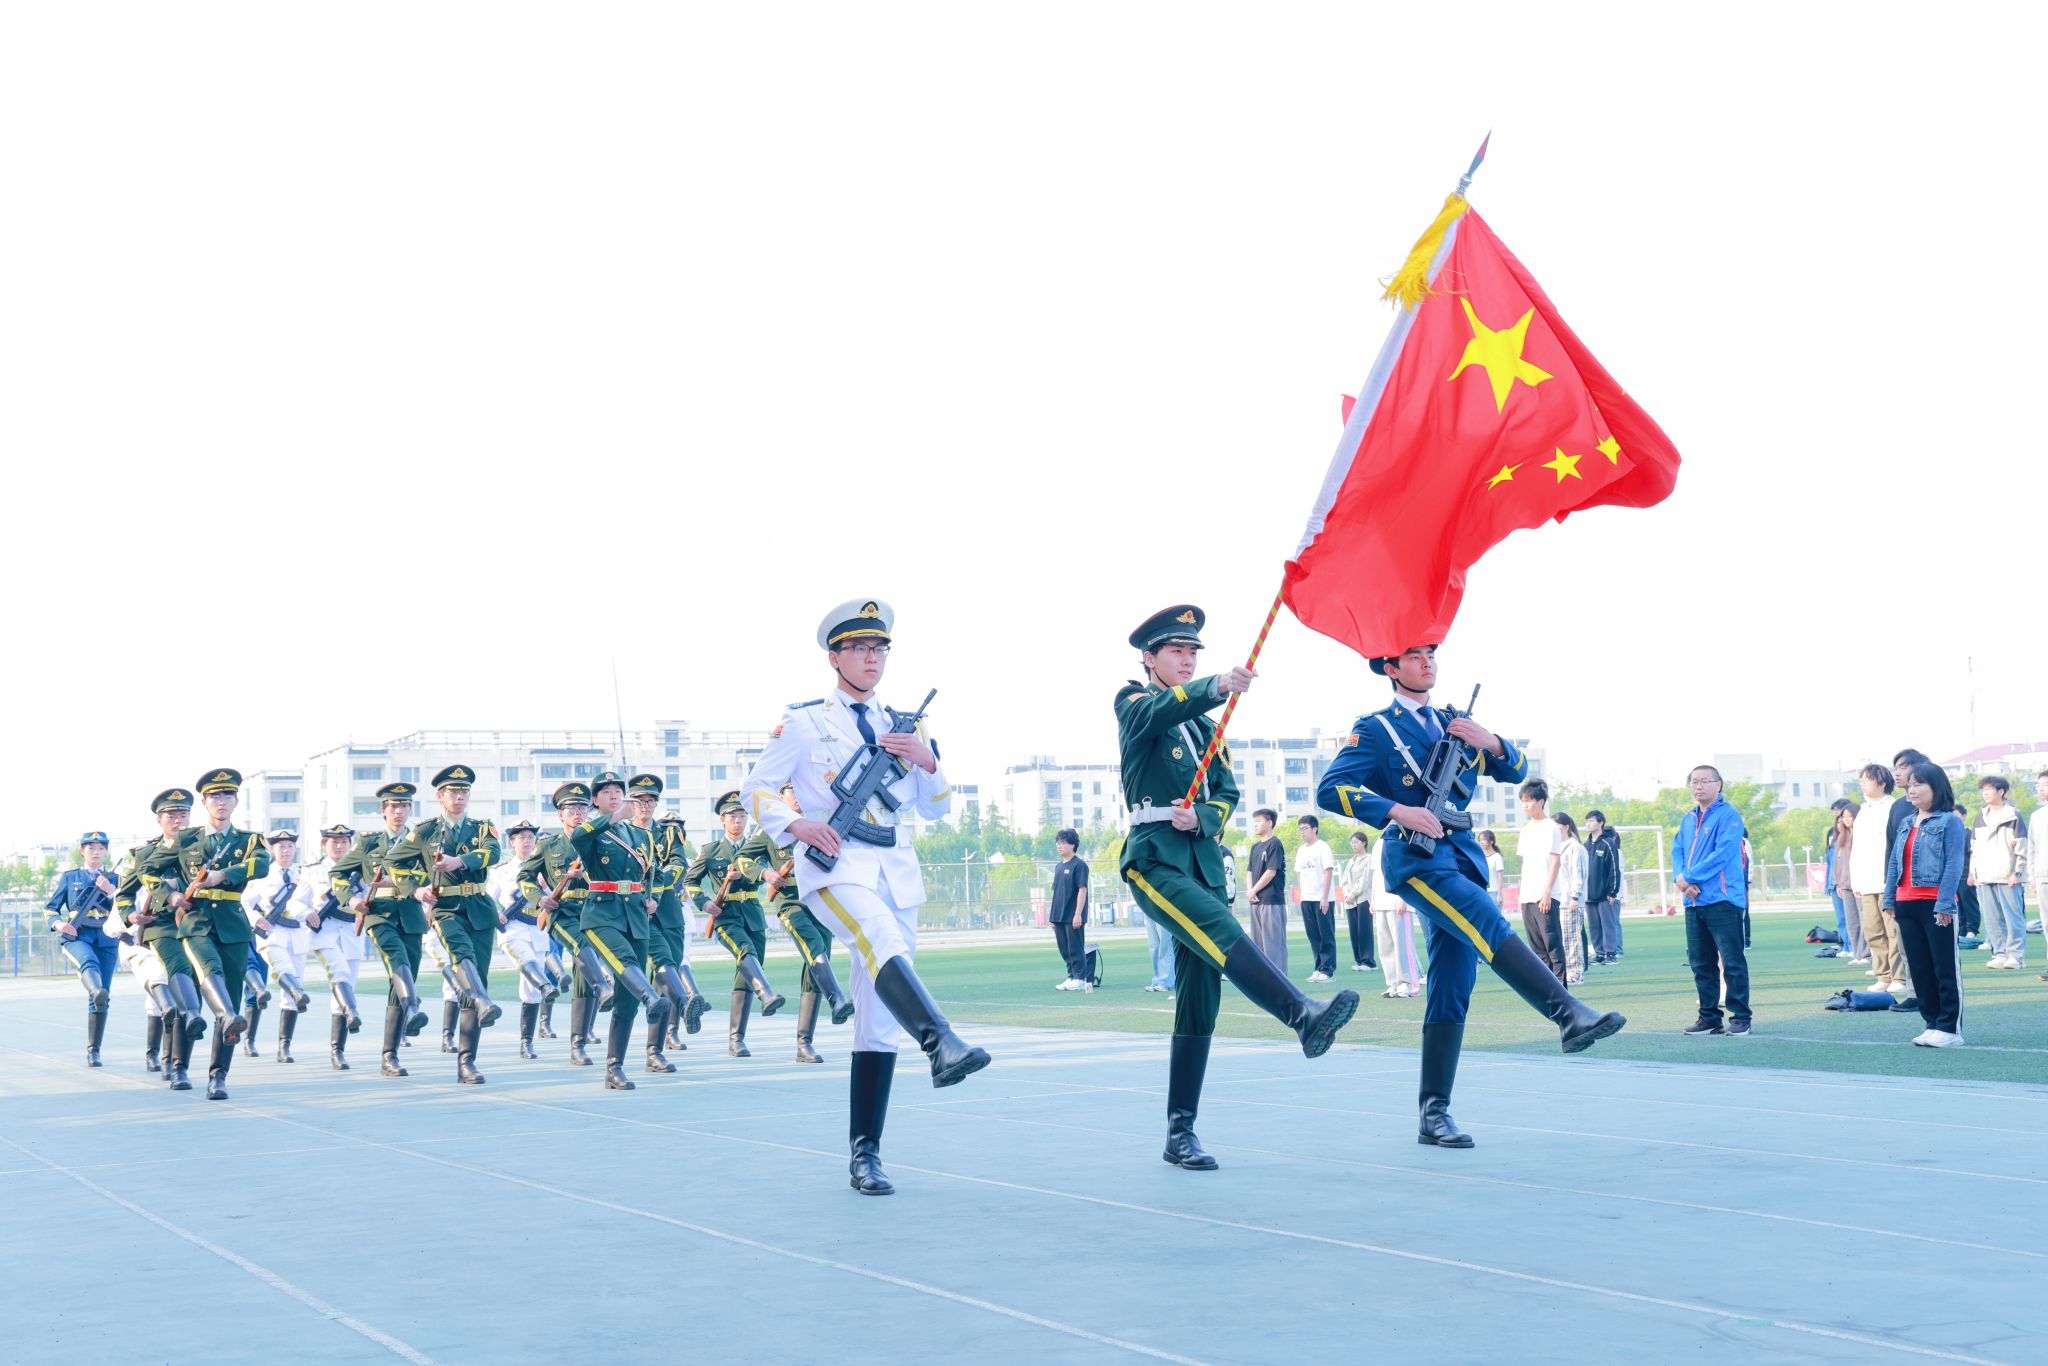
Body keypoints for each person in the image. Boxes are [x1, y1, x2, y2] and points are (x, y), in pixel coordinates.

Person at [1319, 642, 1622, 1148]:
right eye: (1413, 656)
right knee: (1486, 917)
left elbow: (1515, 770)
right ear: (1390, 668)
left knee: (1453, 981)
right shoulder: (1376, 728)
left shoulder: (1454, 723)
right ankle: (1567, 1013)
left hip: (1459, 857)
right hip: (1415, 858)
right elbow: (1331, 789)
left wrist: (1493, 742)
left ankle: (1433, 1112)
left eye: (1430, 653)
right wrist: (1397, 810)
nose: (1427, 662)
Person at [741, 598, 989, 1195]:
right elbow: (756, 788)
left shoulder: (905, 725)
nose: (871, 658)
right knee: (877, 935)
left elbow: (937, 807)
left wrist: (928, 762)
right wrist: (797, 825)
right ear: (835, 657)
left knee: (878, 1018)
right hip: (835, 867)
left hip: (895, 871)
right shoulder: (804, 722)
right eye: (859, 648)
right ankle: (940, 1040)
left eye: (879, 648)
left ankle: (865, 1154)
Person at [1111, 604, 1358, 1172]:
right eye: (1175, 651)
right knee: (1221, 928)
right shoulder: (1133, 701)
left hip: (1199, 859)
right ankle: (1301, 1015)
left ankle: (1180, 1132)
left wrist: (1203, 816)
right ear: (1148, 658)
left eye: (1192, 652)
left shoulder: (1207, 729)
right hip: (1155, 858)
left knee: (1201, 993)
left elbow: (1226, 791)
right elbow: (1161, 710)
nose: (1186, 659)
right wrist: (1216, 686)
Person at [155, 769, 271, 1100]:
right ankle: (179, 1066)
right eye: (215, 796)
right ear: (204, 802)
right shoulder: (186, 839)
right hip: (195, 922)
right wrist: (171, 895)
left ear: (236, 801)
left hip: (233, 924)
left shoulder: (249, 840)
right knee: (206, 976)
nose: (221, 802)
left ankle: (218, 1076)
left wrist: (223, 874)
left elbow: (262, 865)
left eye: (227, 795)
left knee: (231, 999)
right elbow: (149, 870)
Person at [570, 771, 675, 1090]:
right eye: (606, 792)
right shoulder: (592, 830)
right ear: (595, 800)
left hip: (635, 915)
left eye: (617, 790)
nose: (614, 795)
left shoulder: (640, 835)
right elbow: (578, 837)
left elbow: (652, 873)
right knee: (624, 960)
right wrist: (615, 817)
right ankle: (651, 997)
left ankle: (614, 1068)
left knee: (627, 999)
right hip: (602, 913)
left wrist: (652, 898)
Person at [332, 782, 434, 1078]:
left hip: (411, 915)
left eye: (404, 806)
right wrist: (350, 899)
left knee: (401, 981)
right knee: (396, 957)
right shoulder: (368, 843)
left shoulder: (421, 842)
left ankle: (390, 1055)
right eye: (393, 806)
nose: (399, 811)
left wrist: (404, 881)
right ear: (383, 810)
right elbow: (338, 872)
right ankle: (412, 1007)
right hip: (379, 915)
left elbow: (429, 872)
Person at [115, 789, 211, 1092]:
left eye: (183, 814)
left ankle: (176, 1062)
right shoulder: (144, 855)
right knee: (178, 971)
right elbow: (123, 895)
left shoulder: (203, 848)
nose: (179, 820)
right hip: (162, 926)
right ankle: (177, 1065)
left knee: (192, 989)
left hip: (196, 924)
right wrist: (131, 916)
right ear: (160, 820)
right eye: (172, 815)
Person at [755, 783, 858, 1063]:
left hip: (819, 901)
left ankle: (804, 1044)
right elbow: (743, 859)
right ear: (781, 796)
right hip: (790, 903)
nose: (798, 795)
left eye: (799, 788)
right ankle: (836, 998)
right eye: (791, 790)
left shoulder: (820, 824)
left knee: (816, 966)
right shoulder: (771, 829)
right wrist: (765, 873)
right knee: (813, 946)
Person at [684, 791, 788, 1057]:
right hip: (726, 915)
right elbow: (690, 882)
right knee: (745, 951)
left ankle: (736, 1039)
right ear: (722, 819)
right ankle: (767, 994)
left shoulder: (757, 847)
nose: (738, 821)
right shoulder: (711, 850)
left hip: (753, 914)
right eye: (732, 816)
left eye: (742, 816)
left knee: (747, 974)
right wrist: (705, 903)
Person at [522, 782, 610, 1067]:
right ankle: (604, 986)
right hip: (562, 912)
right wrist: (539, 898)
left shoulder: (600, 842)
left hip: (594, 911)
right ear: (560, 814)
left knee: (583, 979)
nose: (578, 812)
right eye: (571, 808)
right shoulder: (548, 845)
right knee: (583, 947)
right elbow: (525, 877)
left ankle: (578, 1045)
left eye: (583, 807)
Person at [1886, 763, 1966, 1046]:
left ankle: (1949, 1029)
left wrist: (1944, 903)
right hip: (1905, 903)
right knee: (1919, 970)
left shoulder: (1949, 821)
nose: (1912, 789)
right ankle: (1932, 1023)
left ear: (1936, 788)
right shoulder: (1906, 822)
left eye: (1919, 784)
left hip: (1935, 904)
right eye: (1910, 784)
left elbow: (1954, 864)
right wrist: (1890, 899)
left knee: (1944, 968)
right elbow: (1894, 863)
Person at [1673, 766, 1751, 1037]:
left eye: (1705, 781)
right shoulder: (1688, 818)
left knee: (1732, 962)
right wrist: (1681, 880)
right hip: (1694, 902)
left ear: (1719, 785)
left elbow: (1724, 853)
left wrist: (1689, 877)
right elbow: (1677, 850)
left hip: (1723, 900)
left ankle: (1741, 1017)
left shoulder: (1728, 816)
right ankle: (1709, 1017)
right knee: (1700, 963)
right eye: (1694, 781)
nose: (1699, 786)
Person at [45, 830, 121, 1067]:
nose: (96, 852)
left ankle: (93, 1050)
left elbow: (128, 907)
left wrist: (111, 890)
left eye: (100, 848)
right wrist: (59, 924)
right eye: (91, 848)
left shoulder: (116, 879)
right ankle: (95, 989)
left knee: (102, 997)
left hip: (107, 937)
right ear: (82, 851)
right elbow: (51, 908)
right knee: (89, 963)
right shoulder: (71, 877)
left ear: (105, 852)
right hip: (79, 935)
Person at [294, 823, 364, 1070]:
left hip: (352, 934)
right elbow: (295, 902)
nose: (339, 846)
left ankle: (338, 1050)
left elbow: (370, 897)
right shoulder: (313, 871)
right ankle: (352, 1011)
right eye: (334, 841)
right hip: (324, 934)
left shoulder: (360, 870)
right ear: (325, 844)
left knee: (345, 987)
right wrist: (307, 913)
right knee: (339, 973)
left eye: (344, 842)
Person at [243, 830, 314, 1064]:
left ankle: (284, 1047)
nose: (285, 851)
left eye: (289, 846)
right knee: (283, 971)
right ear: (272, 849)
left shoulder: (304, 874)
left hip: (297, 935)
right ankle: (250, 1038)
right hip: (272, 935)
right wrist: (256, 919)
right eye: (281, 847)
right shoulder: (262, 876)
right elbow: (244, 902)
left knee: (291, 995)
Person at [492, 818, 560, 1061]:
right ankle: (546, 986)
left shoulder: (545, 869)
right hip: (512, 929)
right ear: (512, 841)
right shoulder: (502, 871)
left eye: (531, 837)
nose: (527, 841)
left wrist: (545, 887)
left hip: (537, 928)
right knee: (526, 960)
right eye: (522, 837)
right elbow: (488, 897)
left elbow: (555, 898)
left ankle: (526, 1042)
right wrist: (496, 913)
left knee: (530, 990)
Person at [1850, 764, 1910, 993]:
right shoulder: (1863, 810)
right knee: (1873, 930)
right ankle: (1882, 975)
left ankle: (1899, 977)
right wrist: (1856, 881)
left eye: (1867, 779)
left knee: (1893, 931)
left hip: (1888, 880)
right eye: (1861, 779)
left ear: (1882, 782)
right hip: (1866, 881)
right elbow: (1857, 849)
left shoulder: (1893, 807)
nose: (1862, 783)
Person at [1971, 776, 2028, 971]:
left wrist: (2017, 872)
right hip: (1985, 875)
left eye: (1989, 789)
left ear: (2001, 792)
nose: (1985, 793)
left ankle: (2016, 956)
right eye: (1983, 790)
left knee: (2013, 918)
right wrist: (1973, 872)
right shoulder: (1980, 816)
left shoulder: (2013, 815)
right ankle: (2000, 953)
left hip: (2008, 876)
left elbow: (2022, 846)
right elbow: (1974, 847)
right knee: (1992, 919)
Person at [1516, 781, 1563, 978]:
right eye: (1523, 801)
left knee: (1553, 946)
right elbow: (1526, 864)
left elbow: (1555, 862)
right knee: (1537, 950)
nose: (1525, 805)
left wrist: (1546, 894)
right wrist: (1521, 895)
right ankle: (1546, 990)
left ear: (1541, 802)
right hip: (1527, 896)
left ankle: (1561, 990)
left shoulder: (1551, 827)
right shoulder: (1525, 830)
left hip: (1545, 896)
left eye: (1529, 800)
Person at [1368, 833, 1420, 998]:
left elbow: (1407, 871)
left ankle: (1408, 984)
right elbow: (1376, 874)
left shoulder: (1402, 837)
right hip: (1381, 902)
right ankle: (1393, 984)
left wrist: (1403, 898)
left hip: (1398, 901)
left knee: (1403, 946)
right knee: (1385, 947)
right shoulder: (1378, 843)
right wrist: (1373, 900)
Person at [1245, 809, 1288, 973]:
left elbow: (1271, 871)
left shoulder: (1274, 844)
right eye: (1254, 822)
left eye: (1259, 821)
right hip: (1255, 901)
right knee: (1258, 947)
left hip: (1271, 901)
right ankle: (1265, 982)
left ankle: (1281, 982)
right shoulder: (1255, 846)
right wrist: (1250, 891)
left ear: (1269, 823)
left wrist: (1254, 890)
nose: (1255, 825)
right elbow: (1249, 870)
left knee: (1274, 946)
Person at [1296, 815, 1338, 981]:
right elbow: (1300, 873)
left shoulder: (1322, 847)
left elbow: (1328, 871)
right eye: (1300, 829)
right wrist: (1301, 896)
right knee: (1313, 935)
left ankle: (1328, 970)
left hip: (1322, 898)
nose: (1302, 832)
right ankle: (1319, 967)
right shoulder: (1301, 850)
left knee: (1326, 935)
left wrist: (1325, 897)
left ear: (1315, 829)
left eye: (1305, 828)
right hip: (1306, 898)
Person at [1049, 829, 1092, 991]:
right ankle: (1071, 976)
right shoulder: (1058, 867)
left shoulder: (1080, 865)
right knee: (1064, 949)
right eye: (1057, 843)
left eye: (1062, 843)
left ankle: (1080, 978)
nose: (1059, 846)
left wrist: (1078, 914)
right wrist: (1052, 917)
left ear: (1072, 845)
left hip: (1072, 915)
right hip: (1058, 915)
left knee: (1075, 947)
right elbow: (1056, 893)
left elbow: (1082, 890)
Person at [1825, 799, 1867, 964]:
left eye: (1850, 816)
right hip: (1845, 885)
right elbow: (1836, 862)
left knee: (1864, 921)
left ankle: (1866, 954)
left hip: (1860, 884)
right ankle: (1857, 953)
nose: (1846, 819)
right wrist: (1837, 883)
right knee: (1851, 921)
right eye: (1844, 816)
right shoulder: (1841, 837)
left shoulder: (1862, 835)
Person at [1584, 810, 1623, 964]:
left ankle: (1611, 953)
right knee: (1594, 926)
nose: (1588, 824)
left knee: (1608, 925)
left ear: (1601, 823)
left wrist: (1613, 892)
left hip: (1605, 894)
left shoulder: (1608, 844)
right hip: (1589, 894)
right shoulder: (1585, 845)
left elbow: (1614, 869)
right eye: (1587, 821)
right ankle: (1599, 953)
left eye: (1591, 821)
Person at [1554, 813, 1588, 984]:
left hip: (1570, 899)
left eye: (1558, 826)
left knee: (1572, 938)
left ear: (1566, 827)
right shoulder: (1554, 846)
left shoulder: (1575, 847)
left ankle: (1576, 973)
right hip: (1557, 899)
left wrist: (1575, 896)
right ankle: (1565, 971)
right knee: (1561, 939)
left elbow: (1578, 874)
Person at [1338, 830, 1376, 973]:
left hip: (1363, 899)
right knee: (1354, 931)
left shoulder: (1369, 859)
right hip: (1350, 901)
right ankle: (1359, 960)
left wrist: (1352, 895)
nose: (1353, 845)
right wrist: (1346, 894)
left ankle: (1368, 961)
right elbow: (1344, 880)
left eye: (1356, 842)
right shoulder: (1351, 861)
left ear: (1364, 843)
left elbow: (1364, 881)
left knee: (1364, 930)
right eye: (1352, 842)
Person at [1477, 829, 1505, 911]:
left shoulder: (1497, 857)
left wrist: (1499, 894)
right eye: (1480, 840)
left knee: (1495, 917)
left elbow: (1500, 877)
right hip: (1482, 892)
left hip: (1494, 893)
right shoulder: (1480, 856)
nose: (1481, 842)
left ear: (1491, 841)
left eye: (1484, 840)